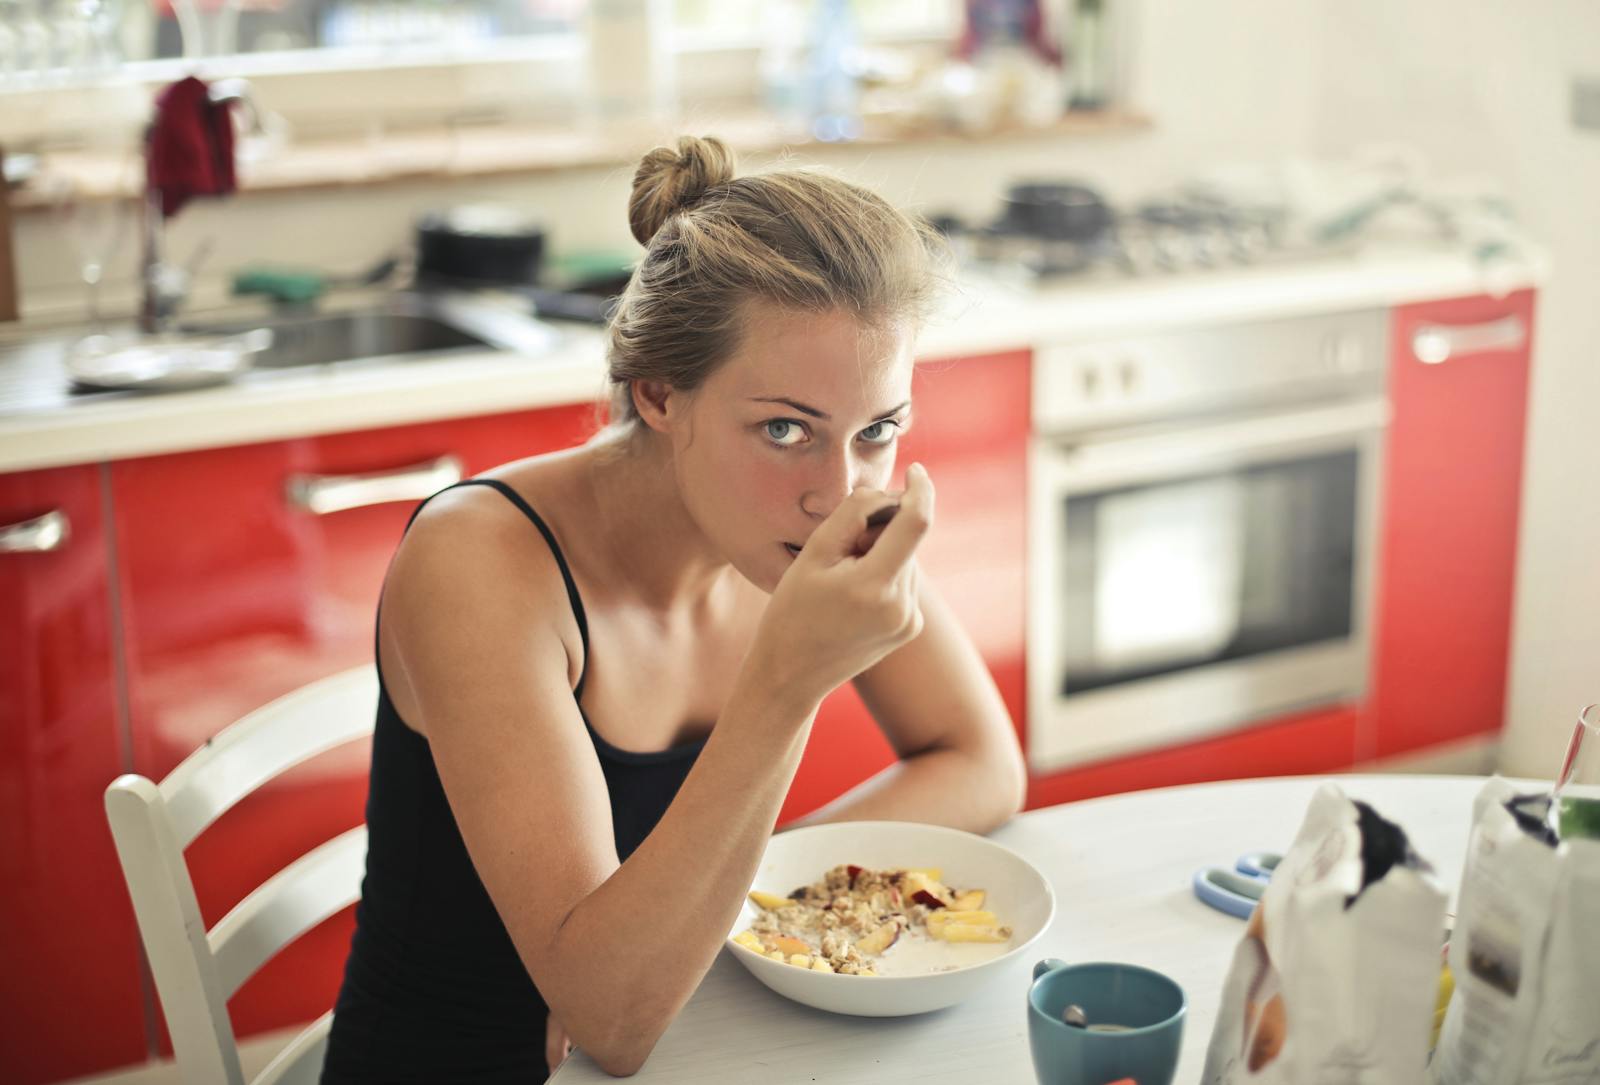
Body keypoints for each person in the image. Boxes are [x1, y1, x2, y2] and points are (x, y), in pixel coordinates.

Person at [321, 134, 1027, 1083]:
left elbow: (981, 761)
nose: (838, 491)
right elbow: (610, 1018)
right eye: (784, 429)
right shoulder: (482, 563)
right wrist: (787, 684)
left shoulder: (809, 517)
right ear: (659, 395)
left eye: (878, 430)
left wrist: (708, 908)